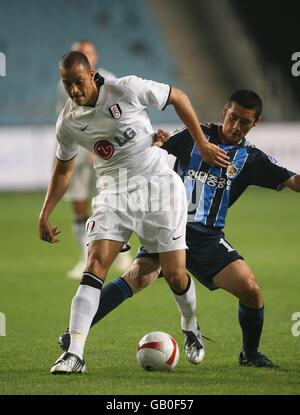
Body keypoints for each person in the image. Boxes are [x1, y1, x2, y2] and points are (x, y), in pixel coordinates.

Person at [57, 89, 300, 368]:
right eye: (233, 117)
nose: (236, 126)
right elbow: (149, 156)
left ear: (255, 123)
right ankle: (73, 335)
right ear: (225, 111)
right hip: (168, 223)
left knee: (251, 290)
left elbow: (293, 179)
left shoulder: (252, 158)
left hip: (207, 238)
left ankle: (250, 354)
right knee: (137, 278)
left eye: (245, 122)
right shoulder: (194, 136)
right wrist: (156, 142)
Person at [38, 50, 229, 374]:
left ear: (92, 73)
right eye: (67, 84)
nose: (73, 90)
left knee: (175, 275)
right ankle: (75, 353)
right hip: (114, 195)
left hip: (159, 189)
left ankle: (190, 324)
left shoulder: (126, 89)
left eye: (78, 81)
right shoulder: (68, 123)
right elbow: (62, 170)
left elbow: (178, 97)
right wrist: (45, 213)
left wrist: (202, 144)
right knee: (95, 264)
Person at [56, 40, 132, 278]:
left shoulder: (109, 80)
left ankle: (122, 256)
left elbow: (117, 118)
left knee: (109, 204)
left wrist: (97, 147)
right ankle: (84, 259)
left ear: (94, 58)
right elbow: (65, 119)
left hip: (102, 155)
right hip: (77, 156)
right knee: (79, 206)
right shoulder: (64, 85)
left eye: (87, 53)